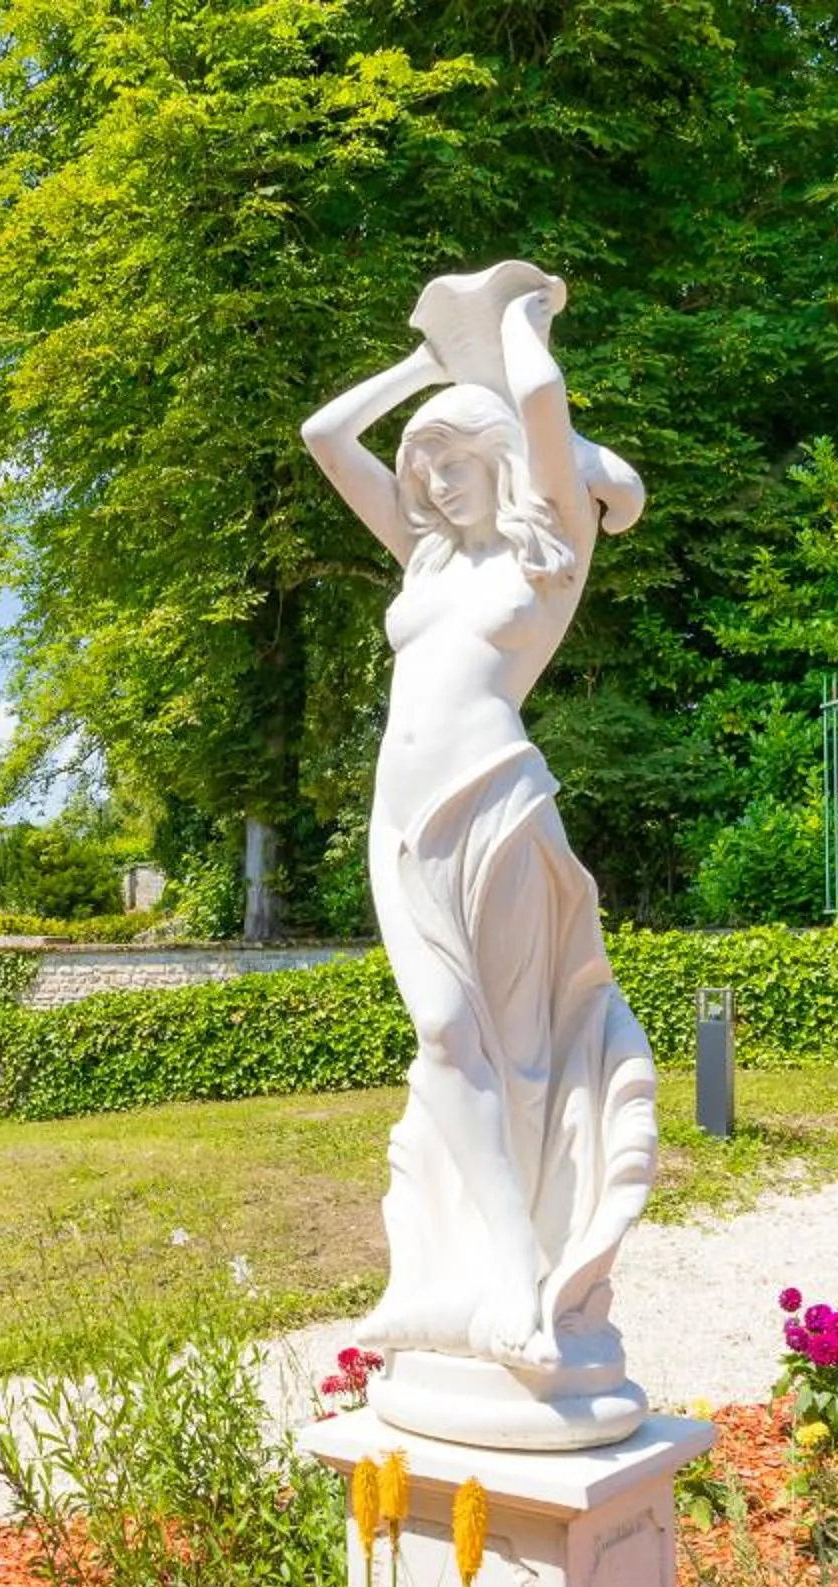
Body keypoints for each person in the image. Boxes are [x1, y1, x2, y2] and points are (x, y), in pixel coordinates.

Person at [298, 262, 654, 1381]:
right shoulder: (429, 558)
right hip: (397, 822)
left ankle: (519, 1269)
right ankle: (487, 1259)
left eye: (454, 459)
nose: (436, 482)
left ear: (497, 455)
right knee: (444, 1035)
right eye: (423, 466)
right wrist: (422, 368)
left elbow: (543, 407)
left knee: (506, 1040)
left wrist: (518, 323)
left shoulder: (548, 549)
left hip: (494, 805)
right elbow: (322, 434)